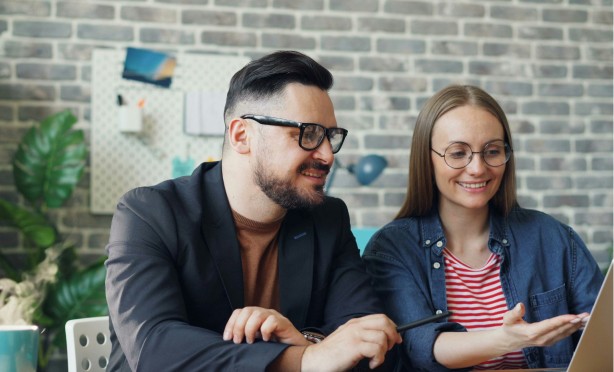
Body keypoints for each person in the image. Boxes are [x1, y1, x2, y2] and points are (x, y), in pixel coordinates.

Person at [105, 50, 401, 371]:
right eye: (308, 134)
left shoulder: (327, 218)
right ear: (241, 135)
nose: (328, 155)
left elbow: (368, 339)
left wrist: (307, 342)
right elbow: (154, 347)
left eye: (330, 136)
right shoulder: (150, 213)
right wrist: (306, 360)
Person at [362, 85, 604, 371]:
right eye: (458, 153)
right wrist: (507, 339)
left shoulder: (553, 238)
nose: (477, 168)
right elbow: (421, 345)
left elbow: (603, 336)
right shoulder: (392, 249)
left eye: (492, 151)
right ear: (427, 159)